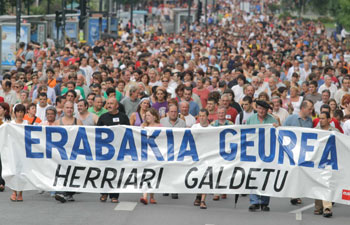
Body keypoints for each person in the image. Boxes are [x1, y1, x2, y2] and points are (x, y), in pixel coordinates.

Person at [246, 100, 278, 212]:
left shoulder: (272, 120)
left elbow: (278, 134)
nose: (261, 111)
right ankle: (254, 201)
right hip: (253, 152)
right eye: (259, 108)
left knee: (266, 176)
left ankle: (264, 202)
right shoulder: (251, 119)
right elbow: (245, 133)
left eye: (263, 109)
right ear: (256, 108)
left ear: (267, 110)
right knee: (254, 175)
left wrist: (276, 127)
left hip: (267, 152)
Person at [97, 98, 130, 203]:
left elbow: (129, 132)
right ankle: (104, 193)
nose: (109, 105)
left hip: (119, 150)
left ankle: (114, 195)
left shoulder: (123, 117)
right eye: (108, 103)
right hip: (105, 151)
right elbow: (96, 133)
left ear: (117, 106)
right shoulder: (103, 117)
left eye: (112, 103)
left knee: (117, 173)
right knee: (104, 172)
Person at [283, 99, 314, 205]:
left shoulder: (310, 121)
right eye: (309, 109)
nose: (311, 111)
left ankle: (297, 194)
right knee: (292, 173)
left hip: (303, 152)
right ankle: (294, 194)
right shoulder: (291, 119)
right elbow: (282, 132)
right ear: (303, 108)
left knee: (300, 173)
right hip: (291, 151)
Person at [54, 101, 83, 203]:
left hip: (74, 152)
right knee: (61, 172)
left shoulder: (78, 122)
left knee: (72, 172)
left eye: (71, 108)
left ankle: (68, 193)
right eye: (67, 108)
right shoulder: (57, 122)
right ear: (64, 109)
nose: (69, 110)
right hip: (61, 152)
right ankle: (62, 192)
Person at [314, 111, 339, 218]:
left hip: (330, 162)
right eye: (320, 118)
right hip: (317, 161)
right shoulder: (315, 130)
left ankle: (327, 207)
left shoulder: (335, 131)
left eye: (323, 118)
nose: (321, 120)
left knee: (327, 183)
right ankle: (318, 207)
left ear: (329, 120)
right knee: (318, 183)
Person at [160, 104, 185, 199]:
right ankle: (166, 188)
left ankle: (175, 190)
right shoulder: (162, 121)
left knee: (175, 170)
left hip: (177, 149)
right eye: (171, 112)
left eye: (175, 112)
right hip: (165, 149)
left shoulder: (182, 122)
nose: (173, 113)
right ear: (168, 113)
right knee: (166, 169)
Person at [139, 108, 162, 205]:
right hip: (145, 153)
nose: (146, 117)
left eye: (149, 115)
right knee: (145, 174)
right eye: (146, 115)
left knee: (153, 175)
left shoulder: (160, 126)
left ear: (154, 116)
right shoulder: (143, 126)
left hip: (156, 154)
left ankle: (152, 196)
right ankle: (144, 196)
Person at [192, 108, 210, 209]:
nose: (201, 118)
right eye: (200, 116)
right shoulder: (195, 127)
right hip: (196, 156)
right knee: (198, 177)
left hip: (208, 157)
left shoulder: (212, 129)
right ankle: (198, 196)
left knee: (205, 177)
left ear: (207, 117)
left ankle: (203, 200)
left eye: (203, 116)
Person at [10, 104, 28, 202]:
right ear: (15, 113)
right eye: (18, 112)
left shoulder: (27, 123)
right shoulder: (11, 124)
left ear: (24, 113)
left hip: (24, 150)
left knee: (22, 172)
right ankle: (14, 192)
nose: (20, 114)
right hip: (13, 150)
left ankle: (20, 193)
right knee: (13, 171)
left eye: (21, 112)